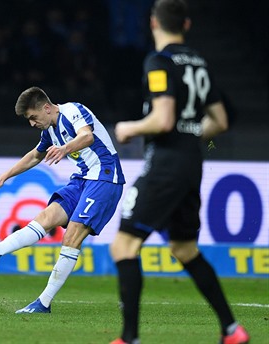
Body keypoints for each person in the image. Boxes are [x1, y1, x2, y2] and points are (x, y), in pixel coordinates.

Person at [108, 1, 250, 343]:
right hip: (191, 164)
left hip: (166, 165)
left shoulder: (159, 62)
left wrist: (128, 128)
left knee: (124, 246)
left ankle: (129, 338)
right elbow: (220, 121)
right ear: (185, 24)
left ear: (153, 23)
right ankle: (232, 330)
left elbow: (163, 119)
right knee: (184, 248)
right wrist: (191, 134)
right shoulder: (199, 63)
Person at [0, 86, 125, 313]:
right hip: (82, 179)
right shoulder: (49, 131)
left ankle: (43, 303)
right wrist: (3, 177)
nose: (32, 123)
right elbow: (35, 155)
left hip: (105, 178)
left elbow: (87, 136)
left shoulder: (73, 110)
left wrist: (65, 149)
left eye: (33, 117)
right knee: (45, 217)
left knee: (72, 235)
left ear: (46, 108)